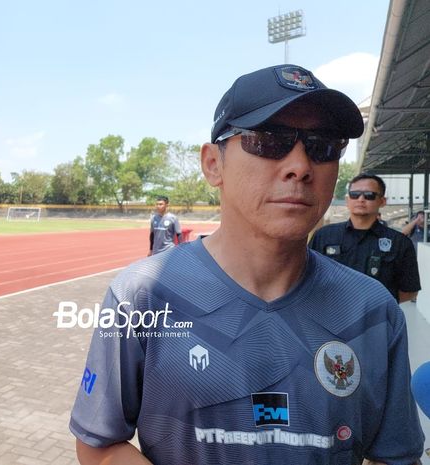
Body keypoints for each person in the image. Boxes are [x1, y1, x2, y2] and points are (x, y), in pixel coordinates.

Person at [70, 65, 424, 465]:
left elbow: (396, 457)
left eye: (323, 144)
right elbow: (99, 443)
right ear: (212, 164)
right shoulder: (141, 295)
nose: (301, 166)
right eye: (268, 140)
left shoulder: (373, 310)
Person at [310, 173, 420, 303]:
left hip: (377, 320)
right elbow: (307, 277)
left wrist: (377, 306)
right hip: (329, 317)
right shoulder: (324, 236)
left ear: (382, 201)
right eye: (355, 195)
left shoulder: (399, 243)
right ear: (347, 200)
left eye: (369, 195)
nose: (361, 199)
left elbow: (410, 290)